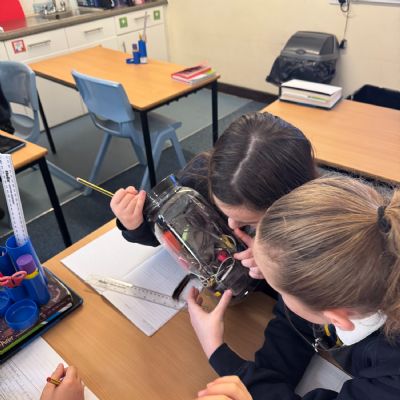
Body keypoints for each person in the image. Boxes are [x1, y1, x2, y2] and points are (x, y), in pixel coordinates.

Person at [188, 175, 400, 399]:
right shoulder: (359, 263)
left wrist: (215, 350)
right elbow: (295, 327)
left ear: (337, 318)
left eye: (280, 291)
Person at [110, 112, 317, 280]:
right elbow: (165, 235)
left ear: (289, 202)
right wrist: (135, 226)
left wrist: (274, 269)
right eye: (226, 212)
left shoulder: (311, 226)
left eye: (249, 221)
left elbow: (304, 298)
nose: (232, 224)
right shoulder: (196, 180)